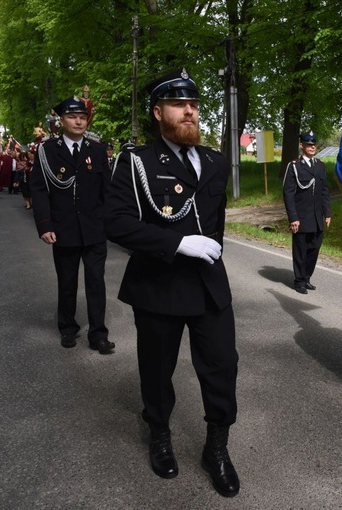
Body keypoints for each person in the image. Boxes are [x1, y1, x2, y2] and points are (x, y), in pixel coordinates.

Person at [104, 68, 240, 497]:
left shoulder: (215, 162)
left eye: (195, 105)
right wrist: (177, 243)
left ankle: (216, 447)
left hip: (208, 285)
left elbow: (214, 223)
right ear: (158, 111)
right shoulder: (136, 162)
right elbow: (117, 222)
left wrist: (207, 249)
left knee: (221, 367)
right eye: (180, 105)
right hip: (159, 284)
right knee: (157, 369)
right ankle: (159, 432)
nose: (190, 112)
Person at [29, 97, 113, 355]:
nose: (78, 121)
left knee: (96, 282)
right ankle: (67, 327)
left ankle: (98, 334)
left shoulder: (97, 150)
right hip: (64, 229)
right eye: (72, 117)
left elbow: (106, 191)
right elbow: (40, 190)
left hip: (94, 229)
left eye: (83, 117)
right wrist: (45, 225)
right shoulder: (47, 151)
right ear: (61, 120)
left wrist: (111, 222)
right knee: (67, 282)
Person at [282, 131, 331, 294]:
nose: (312, 147)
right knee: (300, 250)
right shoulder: (294, 166)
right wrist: (293, 218)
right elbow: (288, 193)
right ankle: (299, 281)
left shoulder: (320, 166)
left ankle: (307, 277)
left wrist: (327, 213)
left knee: (314, 248)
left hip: (317, 217)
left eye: (314, 144)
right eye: (308, 144)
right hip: (301, 217)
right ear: (301, 145)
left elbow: (324, 191)